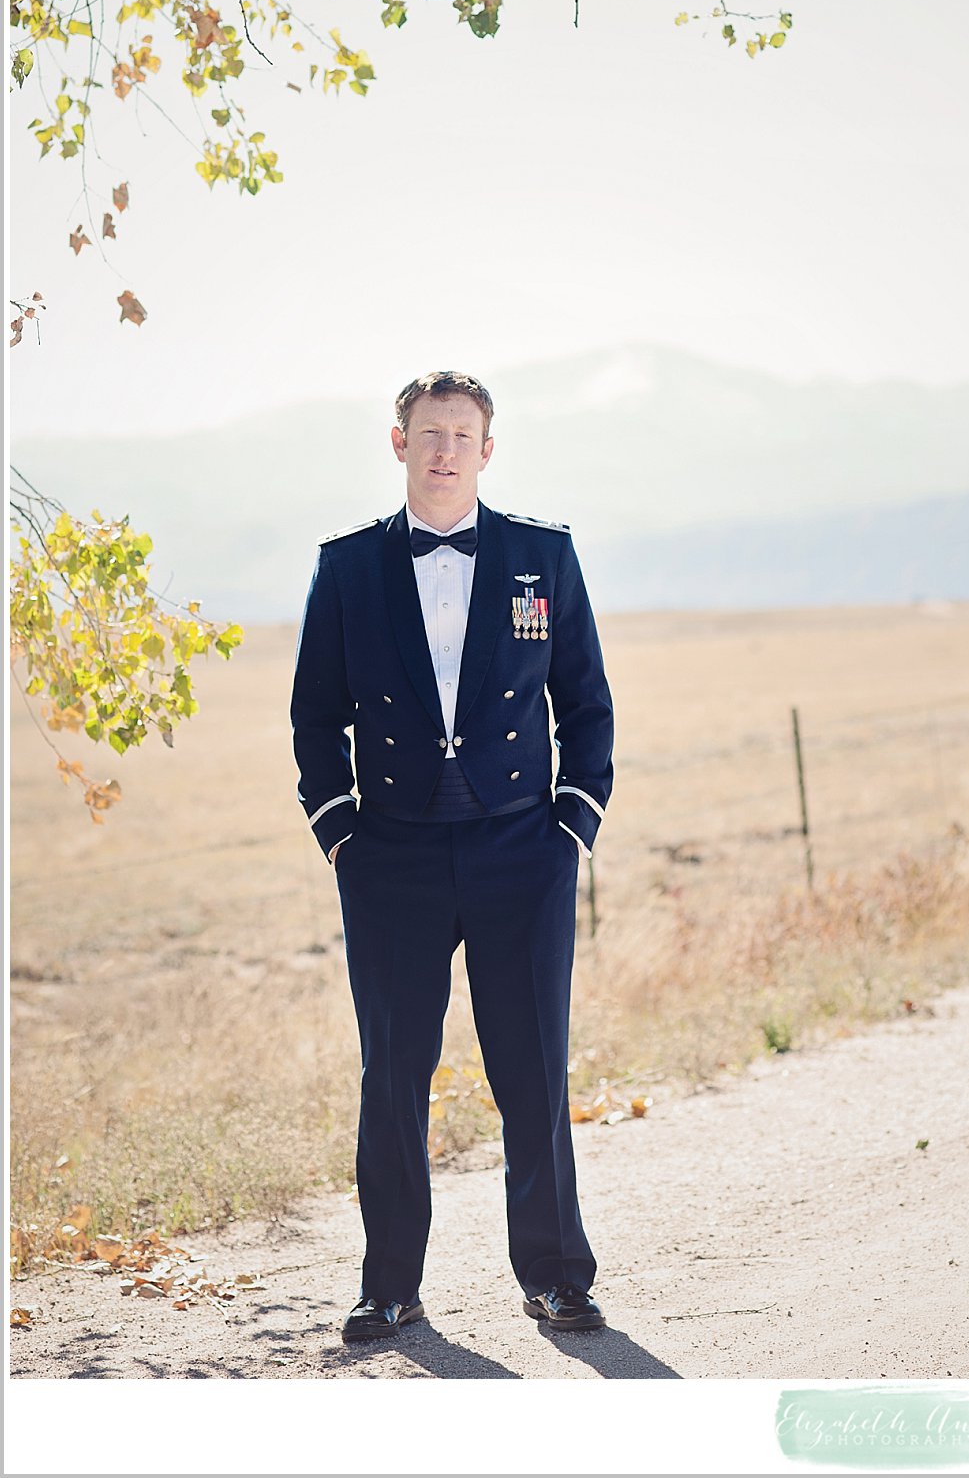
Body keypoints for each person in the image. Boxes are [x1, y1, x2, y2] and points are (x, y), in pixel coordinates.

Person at [289, 370, 615, 1342]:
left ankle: (554, 1276)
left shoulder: (540, 556)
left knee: (532, 1070)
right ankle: (389, 1286)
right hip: (390, 858)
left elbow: (585, 701)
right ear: (398, 443)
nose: (443, 450)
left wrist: (571, 825)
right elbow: (315, 715)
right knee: (393, 1076)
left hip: (521, 850)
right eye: (428, 433)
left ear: (486, 449)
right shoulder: (348, 566)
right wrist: (339, 832)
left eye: (461, 435)